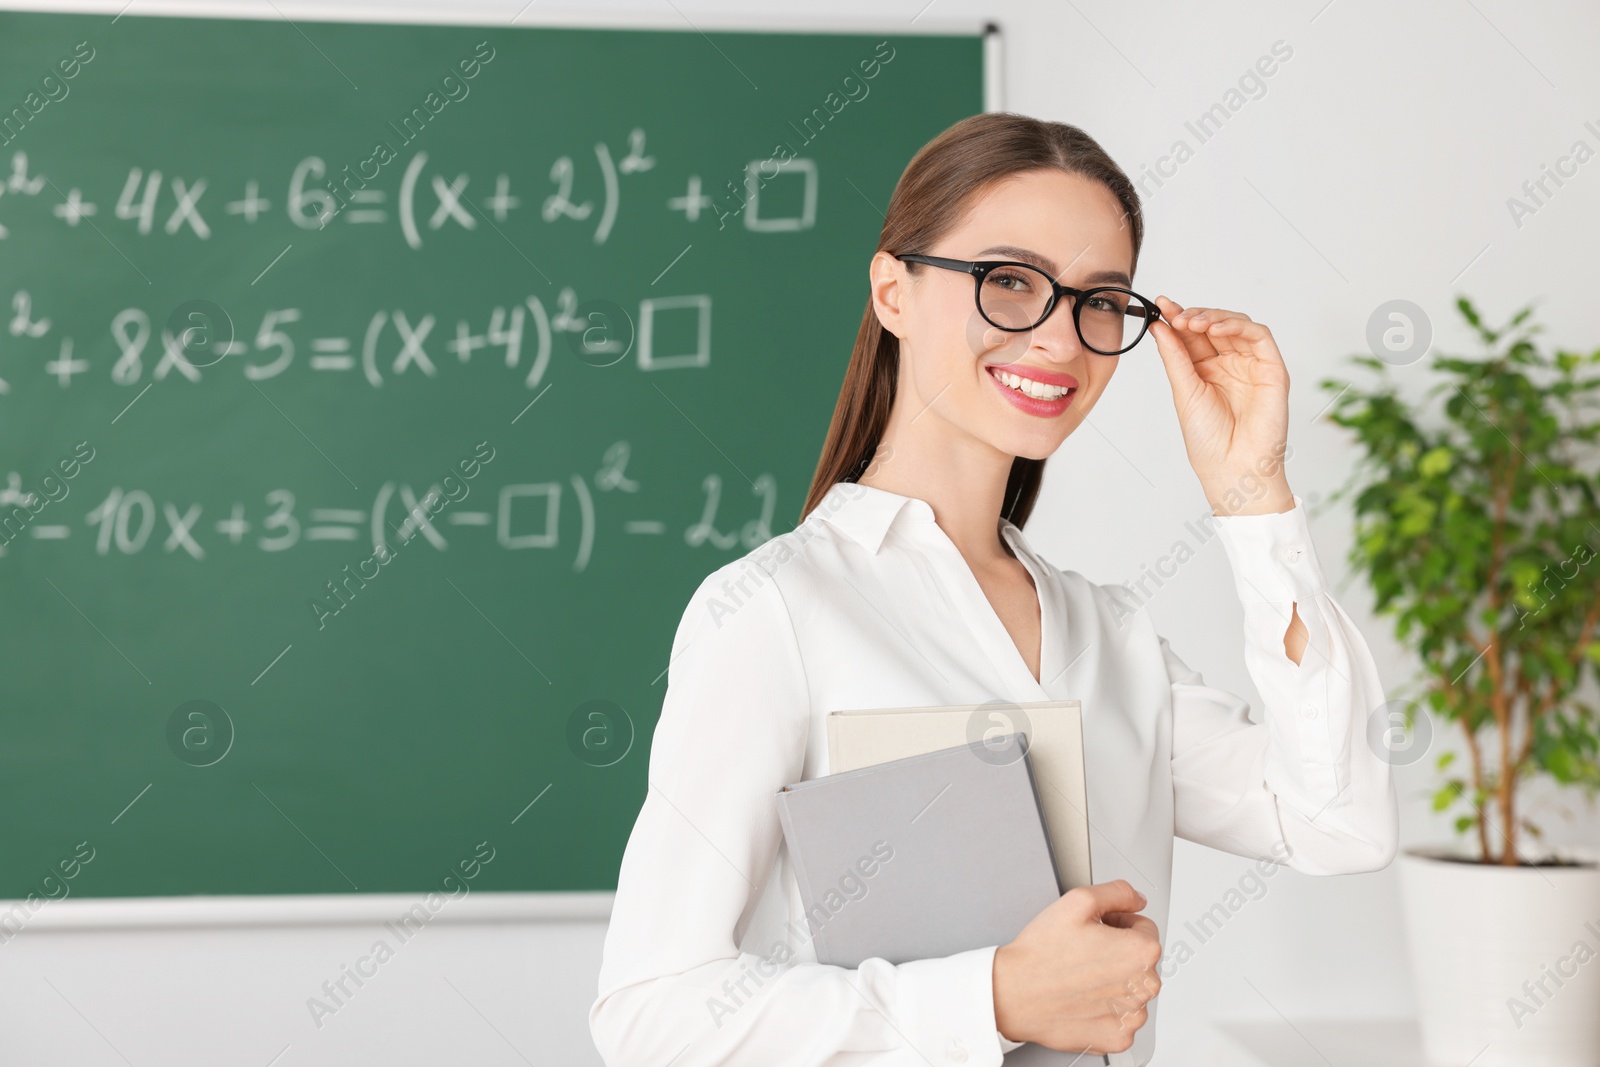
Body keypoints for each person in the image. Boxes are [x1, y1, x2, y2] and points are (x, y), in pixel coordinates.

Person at [589, 111, 1398, 1067]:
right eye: (1009, 281)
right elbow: (651, 1016)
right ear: (893, 289)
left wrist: (1254, 498)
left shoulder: (1112, 633)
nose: (1060, 338)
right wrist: (996, 997)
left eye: (1101, 300)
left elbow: (1338, 821)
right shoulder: (777, 610)